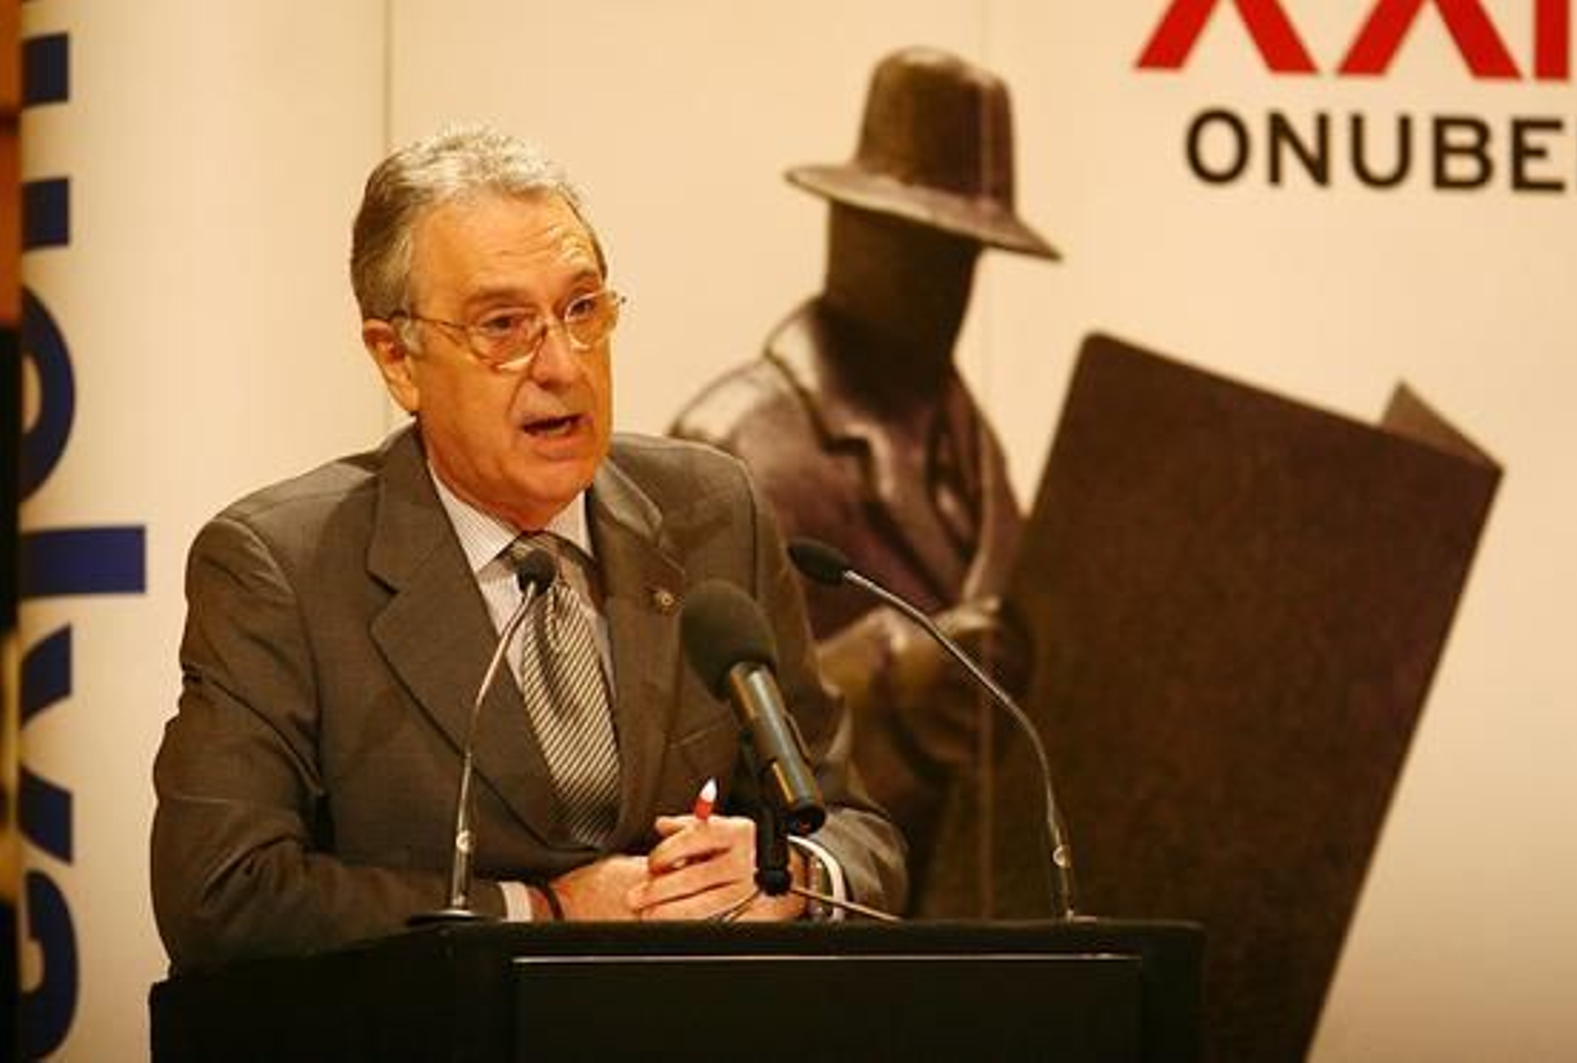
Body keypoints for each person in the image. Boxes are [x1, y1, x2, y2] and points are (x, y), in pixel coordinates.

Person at [151, 126, 907, 972]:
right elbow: (221, 893)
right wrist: (539, 910)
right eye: (504, 325)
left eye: (583, 310)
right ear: (398, 358)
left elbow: (856, 827)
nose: (562, 364)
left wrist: (791, 875)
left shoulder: (710, 512)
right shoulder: (280, 568)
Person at [670, 48, 1058, 915]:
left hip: (969, 916)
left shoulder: (969, 441)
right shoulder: (735, 443)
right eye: (919, 242)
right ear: (851, 228)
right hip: (819, 936)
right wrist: (893, 686)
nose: (947, 277)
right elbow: (673, 731)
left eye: (964, 251)